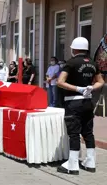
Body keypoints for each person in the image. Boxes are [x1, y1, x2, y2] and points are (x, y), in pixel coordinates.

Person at [57, 37, 105, 175]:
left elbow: (60, 82)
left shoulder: (71, 63)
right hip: (88, 102)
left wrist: (78, 88)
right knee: (88, 132)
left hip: (74, 102)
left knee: (74, 133)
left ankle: (72, 165)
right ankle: (90, 162)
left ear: (74, 49)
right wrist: (91, 87)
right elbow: (100, 82)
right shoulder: (92, 63)